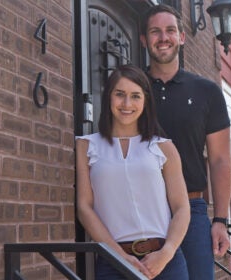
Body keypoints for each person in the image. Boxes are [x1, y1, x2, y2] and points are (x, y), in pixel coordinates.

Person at [140, 4, 231, 280]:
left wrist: (221, 220)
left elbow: (219, 160)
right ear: (144, 40)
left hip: (192, 212)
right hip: (142, 210)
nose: (163, 37)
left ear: (182, 36)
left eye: (170, 30)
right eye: (155, 32)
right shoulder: (132, 91)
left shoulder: (208, 92)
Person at [76, 64, 190, 280]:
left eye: (135, 96)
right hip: (113, 261)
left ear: (145, 100)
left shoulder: (163, 147)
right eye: (120, 94)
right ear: (109, 97)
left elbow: (182, 207)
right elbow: (85, 207)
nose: (127, 104)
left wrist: (167, 253)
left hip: (165, 261)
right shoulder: (87, 146)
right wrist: (118, 256)